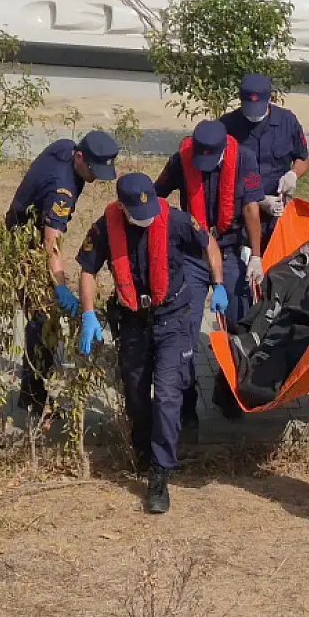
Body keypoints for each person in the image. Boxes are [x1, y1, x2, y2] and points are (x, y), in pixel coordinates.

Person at [76, 172, 225, 514]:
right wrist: (88, 314)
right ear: (122, 208)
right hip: (132, 322)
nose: (146, 222)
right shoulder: (104, 228)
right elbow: (87, 270)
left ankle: (160, 474)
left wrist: (219, 283)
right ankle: (143, 451)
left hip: (173, 315)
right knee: (136, 394)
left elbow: (208, 244)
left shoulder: (174, 219)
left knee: (168, 393)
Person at [154, 119, 265, 429]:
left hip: (229, 249)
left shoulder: (244, 158)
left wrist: (255, 255)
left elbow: (251, 209)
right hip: (192, 252)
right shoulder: (181, 159)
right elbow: (157, 195)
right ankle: (186, 405)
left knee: (240, 320)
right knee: (184, 327)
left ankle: (229, 392)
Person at [4, 130, 119, 411]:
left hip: (24, 226)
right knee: (41, 318)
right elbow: (50, 242)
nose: (94, 178)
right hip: (26, 242)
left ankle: (41, 380)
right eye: (93, 170)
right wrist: (60, 286)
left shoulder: (65, 147)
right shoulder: (62, 190)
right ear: (79, 157)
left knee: (45, 317)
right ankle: (33, 399)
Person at [219, 73, 309, 223]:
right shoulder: (227, 125)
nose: (253, 113)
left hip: (278, 206)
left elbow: (303, 159)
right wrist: (257, 200)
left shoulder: (287, 121)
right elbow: (218, 172)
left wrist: (293, 174)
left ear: (269, 98)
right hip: (239, 209)